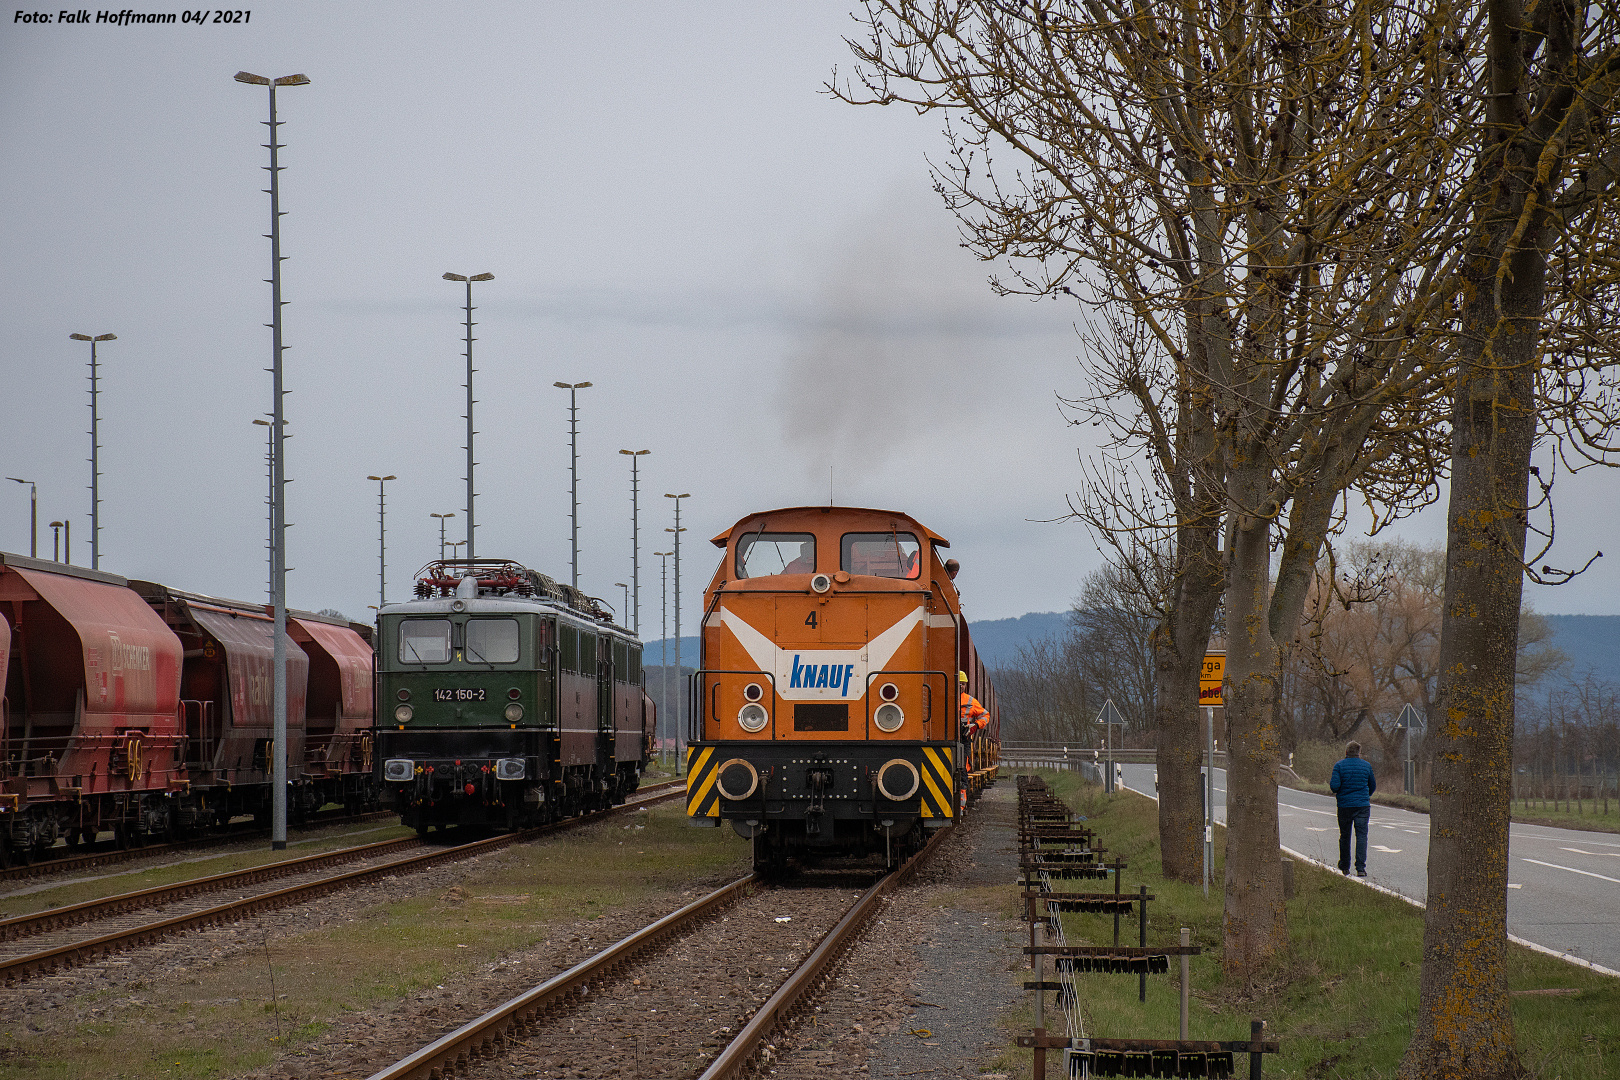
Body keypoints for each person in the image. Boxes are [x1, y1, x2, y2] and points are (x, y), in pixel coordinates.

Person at [1330, 740, 1377, 877]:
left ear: (1346, 752)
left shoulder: (1339, 766)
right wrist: (1365, 796)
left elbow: (1334, 786)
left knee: (1345, 836)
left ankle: (1345, 866)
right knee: (1361, 836)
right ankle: (1361, 868)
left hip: (1344, 806)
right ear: (1359, 753)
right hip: (1362, 806)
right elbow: (1372, 785)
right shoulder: (1366, 766)